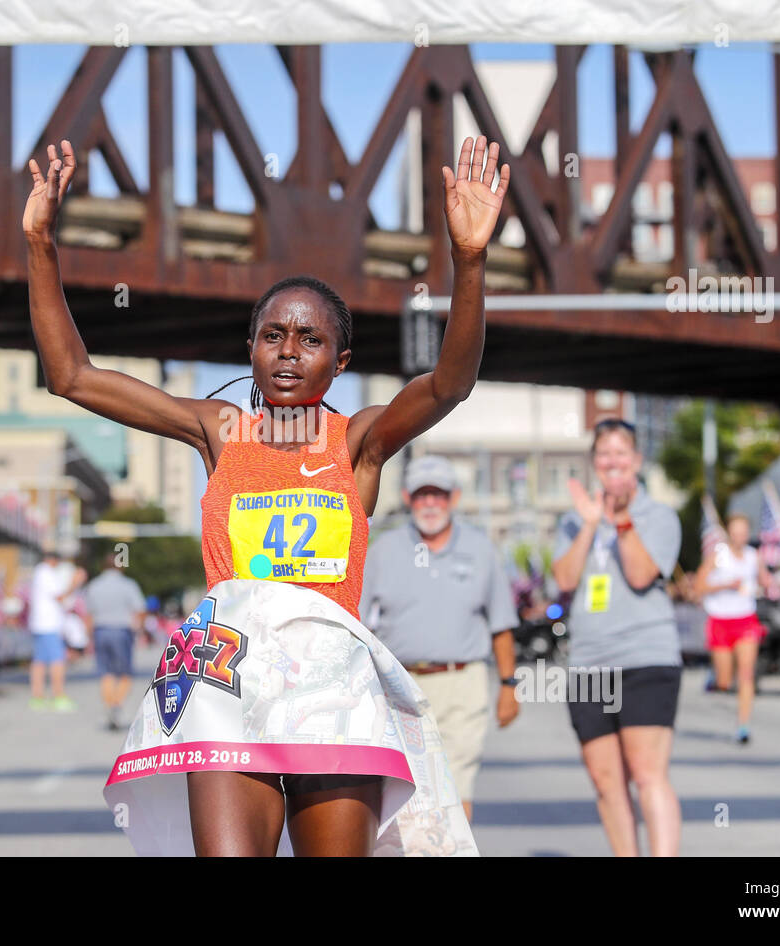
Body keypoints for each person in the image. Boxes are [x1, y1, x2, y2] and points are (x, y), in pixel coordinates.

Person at [26, 134, 509, 856]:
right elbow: (72, 375)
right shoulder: (219, 430)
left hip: (332, 692)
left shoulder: (358, 443)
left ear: (338, 361)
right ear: (250, 348)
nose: (288, 351)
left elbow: (450, 384)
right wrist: (39, 243)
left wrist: (468, 260)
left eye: (308, 339)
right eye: (272, 335)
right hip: (227, 680)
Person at [360, 454, 521, 822]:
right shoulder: (383, 550)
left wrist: (510, 686)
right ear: (407, 497)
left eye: (439, 494)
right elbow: (360, 624)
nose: (430, 503)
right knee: (405, 791)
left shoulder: (481, 549)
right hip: (399, 686)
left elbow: (501, 624)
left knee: (455, 784)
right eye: (422, 495)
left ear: (455, 498)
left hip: (463, 682)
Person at [552, 419, 683, 857]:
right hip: (590, 663)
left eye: (620, 454)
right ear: (593, 462)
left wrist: (622, 518)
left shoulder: (658, 515)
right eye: (604, 454)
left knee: (647, 774)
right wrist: (591, 523)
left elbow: (642, 574)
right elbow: (565, 580)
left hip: (646, 657)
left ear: (637, 461)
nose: (612, 463)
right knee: (606, 782)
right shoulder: (574, 518)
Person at [695, 513, 771, 744]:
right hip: (720, 620)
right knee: (725, 682)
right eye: (735, 532)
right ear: (729, 533)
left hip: (745, 619)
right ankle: (715, 677)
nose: (739, 537)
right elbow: (699, 586)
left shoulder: (753, 555)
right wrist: (725, 585)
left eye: (743, 532)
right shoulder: (718, 556)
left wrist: (768, 584)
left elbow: (765, 580)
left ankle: (743, 725)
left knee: (746, 674)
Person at [83, 552, 148, 730]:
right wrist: (140, 629)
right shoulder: (128, 585)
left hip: (100, 630)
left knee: (106, 673)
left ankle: (110, 706)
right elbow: (140, 609)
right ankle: (117, 705)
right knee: (125, 673)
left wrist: (89, 635)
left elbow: (88, 613)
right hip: (121, 631)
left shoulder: (94, 585)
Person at [27, 546, 84, 711]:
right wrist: (75, 583)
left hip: (41, 624)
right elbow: (60, 597)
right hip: (48, 625)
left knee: (39, 661)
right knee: (57, 661)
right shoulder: (46, 573)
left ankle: (37, 696)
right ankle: (58, 696)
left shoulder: (40, 573)